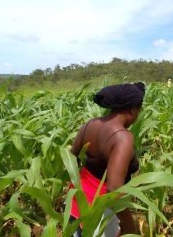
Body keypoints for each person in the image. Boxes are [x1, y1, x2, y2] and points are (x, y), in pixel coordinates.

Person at [69, 82, 145, 236]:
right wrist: (129, 226)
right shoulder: (123, 138)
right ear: (132, 110)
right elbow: (114, 189)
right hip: (99, 212)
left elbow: (71, 157)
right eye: (139, 110)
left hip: (76, 201)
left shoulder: (90, 124)